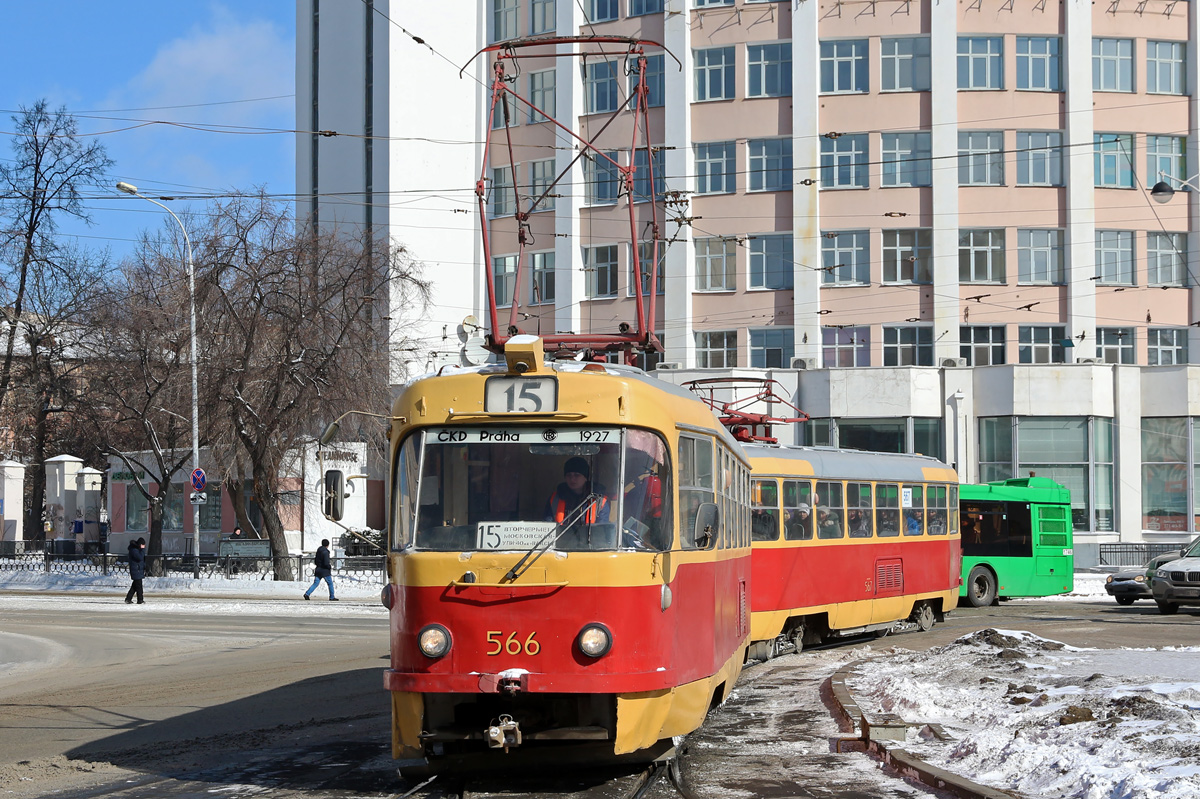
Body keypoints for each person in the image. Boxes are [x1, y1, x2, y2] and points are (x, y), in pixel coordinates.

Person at [544, 456, 609, 525]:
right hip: (560, 535)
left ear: (586, 478)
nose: (572, 479)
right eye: (569, 475)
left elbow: (601, 530)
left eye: (577, 475)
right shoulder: (555, 499)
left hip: (590, 536)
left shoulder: (600, 501)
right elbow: (547, 525)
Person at [125, 537, 146, 604]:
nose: (143, 546)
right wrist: (143, 550)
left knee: (135, 586)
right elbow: (139, 557)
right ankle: (140, 600)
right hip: (136, 570)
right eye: (143, 545)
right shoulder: (134, 550)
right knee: (139, 586)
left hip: (138, 570)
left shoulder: (136, 549)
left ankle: (128, 598)